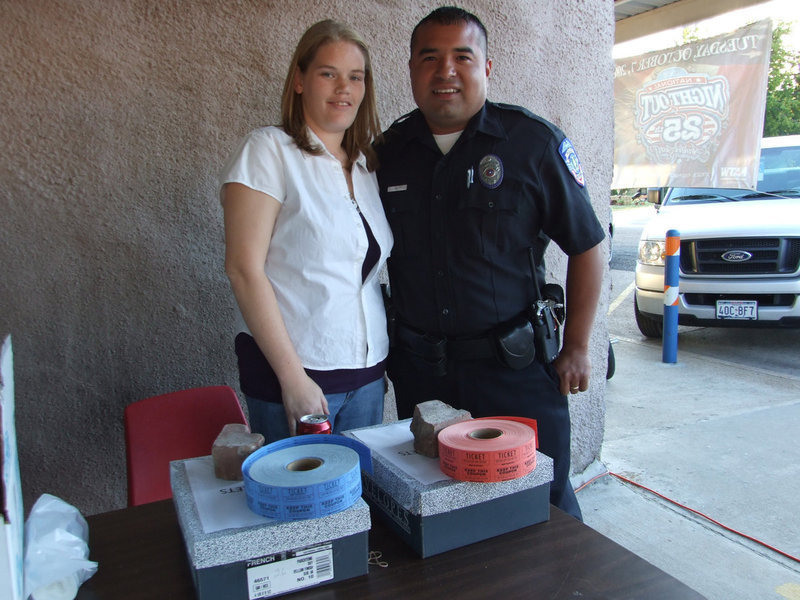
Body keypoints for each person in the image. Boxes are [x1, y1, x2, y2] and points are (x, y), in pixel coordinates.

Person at [376, 7, 605, 519]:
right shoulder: (388, 153)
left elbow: (586, 245)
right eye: (430, 58)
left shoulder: (532, 144)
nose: (446, 71)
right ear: (411, 68)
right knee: (437, 507)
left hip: (514, 371)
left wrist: (579, 346)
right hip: (423, 376)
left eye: (463, 56)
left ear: (487, 66)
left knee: (541, 506)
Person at [219, 20, 393, 442]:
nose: (343, 88)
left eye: (355, 77)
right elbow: (244, 270)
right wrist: (292, 379)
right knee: (301, 507)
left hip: (369, 377)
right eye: (328, 74)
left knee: (358, 503)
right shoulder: (268, 152)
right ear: (299, 80)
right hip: (299, 383)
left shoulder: (367, 166)